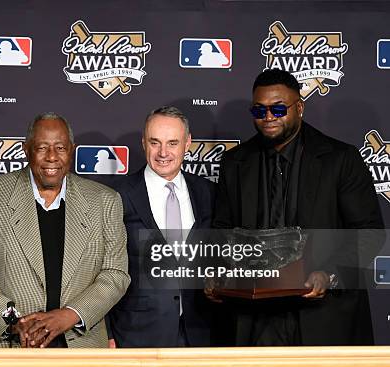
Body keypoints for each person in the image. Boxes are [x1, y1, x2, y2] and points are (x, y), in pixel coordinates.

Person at [212, 69, 384, 345]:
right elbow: (222, 230)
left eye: (278, 109)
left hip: (323, 314)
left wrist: (329, 274)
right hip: (255, 317)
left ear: (299, 107)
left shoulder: (341, 159)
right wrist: (219, 273)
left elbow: (368, 232)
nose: (269, 117)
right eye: (259, 111)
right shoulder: (235, 162)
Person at [0, 112, 130, 348]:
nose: (51, 157)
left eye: (60, 148)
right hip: (9, 343)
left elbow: (115, 273)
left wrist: (70, 315)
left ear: (72, 150)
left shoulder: (104, 201)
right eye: (42, 148)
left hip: (80, 344)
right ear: (27, 150)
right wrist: (14, 321)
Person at [107, 106, 215, 347]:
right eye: (155, 142)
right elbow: (96, 268)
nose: (163, 152)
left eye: (172, 143)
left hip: (200, 333)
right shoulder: (116, 196)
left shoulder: (208, 193)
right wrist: (105, 333)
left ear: (188, 143)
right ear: (143, 142)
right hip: (135, 334)